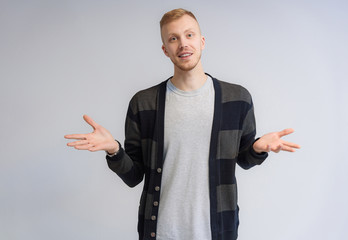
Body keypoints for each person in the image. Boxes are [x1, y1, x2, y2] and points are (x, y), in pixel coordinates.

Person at [65, 8, 300, 240]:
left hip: (216, 231)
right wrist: (114, 150)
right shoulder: (144, 103)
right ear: (165, 50)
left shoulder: (237, 99)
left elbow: (243, 159)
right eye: (173, 38)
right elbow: (134, 175)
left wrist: (258, 149)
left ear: (202, 41)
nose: (183, 44)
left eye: (189, 35)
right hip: (160, 232)